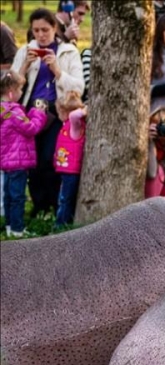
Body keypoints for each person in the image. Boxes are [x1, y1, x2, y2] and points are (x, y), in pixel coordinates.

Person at [10, 7, 84, 219]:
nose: (41, 35)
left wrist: (57, 70)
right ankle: (38, 205)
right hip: (30, 111)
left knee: (49, 158)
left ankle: (51, 203)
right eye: (36, 31)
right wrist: (24, 66)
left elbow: (79, 87)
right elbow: (10, 86)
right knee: (31, 161)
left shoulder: (69, 52)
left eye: (45, 30)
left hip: (56, 112)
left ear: (55, 29)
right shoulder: (25, 51)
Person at [0, 72, 48, 237]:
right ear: (12, 93)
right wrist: (39, 113)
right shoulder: (14, 112)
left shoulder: (2, 110)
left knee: (8, 195)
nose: (22, 93)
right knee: (18, 197)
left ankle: (9, 225)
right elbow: (31, 128)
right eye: (21, 89)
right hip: (18, 162)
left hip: (6, 162)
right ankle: (18, 229)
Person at [53, 90, 85, 228]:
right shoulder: (66, 125)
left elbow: (74, 115)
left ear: (64, 111)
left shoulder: (74, 125)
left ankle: (61, 224)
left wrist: (84, 109)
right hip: (66, 171)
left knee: (65, 199)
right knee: (63, 198)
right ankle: (63, 221)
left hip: (72, 172)